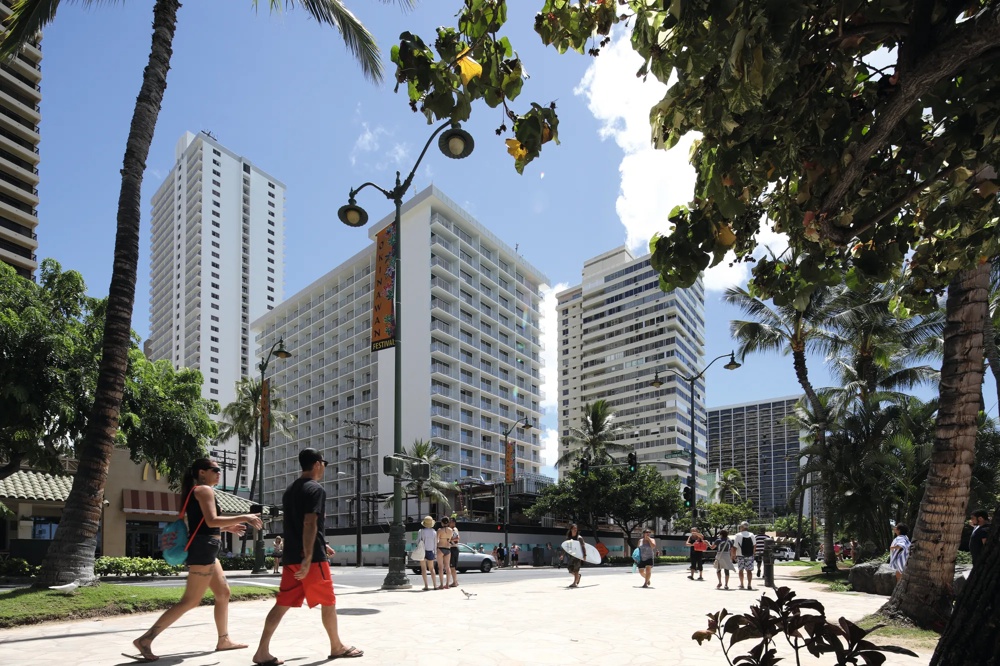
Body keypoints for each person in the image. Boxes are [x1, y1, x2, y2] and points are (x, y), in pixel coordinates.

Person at [126, 458, 262, 662]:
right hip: (204, 550)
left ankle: (223, 640)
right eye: (215, 469)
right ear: (201, 472)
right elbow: (211, 520)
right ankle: (146, 639)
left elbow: (205, 525)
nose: (219, 472)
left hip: (207, 549)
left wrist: (227, 528)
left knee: (223, 593)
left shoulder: (198, 491)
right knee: (190, 600)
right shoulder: (203, 490)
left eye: (219, 469)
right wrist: (244, 517)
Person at [252, 448, 363, 664]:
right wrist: (310, 554)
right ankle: (337, 646)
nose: (324, 468)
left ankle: (262, 651)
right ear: (318, 463)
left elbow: (297, 525)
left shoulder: (290, 490)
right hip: (309, 560)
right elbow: (309, 522)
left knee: (282, 603)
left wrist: (322, 544)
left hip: (291, 556)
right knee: (328, 602)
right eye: (324, 464)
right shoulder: (315, 489)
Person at [417, 516, 438, 590]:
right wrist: (435, 554)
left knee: (423, 569)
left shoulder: (421, 531)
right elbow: (435, 544)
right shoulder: (434, 532)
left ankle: (426, 586)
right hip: (430, 551)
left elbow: (418, 541)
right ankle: (435, 585)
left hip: (422, 551)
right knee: (432, 569)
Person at [734, 522, 756, 590]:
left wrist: (734, 555)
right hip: (749, 555)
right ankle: (749, 584)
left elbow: (735, 546)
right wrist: (753, 553)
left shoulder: (738, 535)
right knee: (749, 570)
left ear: (741, 527)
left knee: (741, 570)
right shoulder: (752, 535)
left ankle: (742, 584)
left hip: (740, 555)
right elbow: (754, 545)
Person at [566, 523, 587, 588]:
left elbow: (583, 546)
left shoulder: (579, 538)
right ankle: (578, 576)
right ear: (571, 529)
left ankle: (575, 583)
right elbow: (566, 546)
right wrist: (562, 555)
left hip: (578, 556)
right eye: (574, 529)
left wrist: (584, 555)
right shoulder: (569, 537)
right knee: (570, 569)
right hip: (571, 555)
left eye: (576, 529)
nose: (575, 530)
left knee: (576, 569)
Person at [435, 515, 453, 590]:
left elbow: (436, 540)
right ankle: (447, 584)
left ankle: (441, 584)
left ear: (442, 523)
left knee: (440, 567)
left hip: (440, 548)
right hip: (448, 548)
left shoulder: (439, 530)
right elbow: (450, 539)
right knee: (447, 566)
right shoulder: (451, 530)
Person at [448, 517, 460, 588]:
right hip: (454, 548)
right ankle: (455, 581)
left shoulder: (453, 529)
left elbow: (457, 538)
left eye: (450, 522)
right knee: (453, 567)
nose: (449, 523)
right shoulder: (455, 529)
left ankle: (454, 582)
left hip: (453, 548)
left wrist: (450, 539)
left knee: (452, 567)